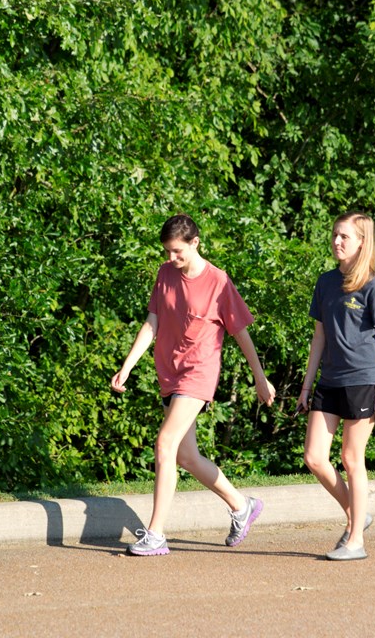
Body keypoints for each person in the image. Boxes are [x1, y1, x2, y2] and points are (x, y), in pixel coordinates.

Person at [111, 214, 276, 556]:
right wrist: (128, 365)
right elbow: (152, 321)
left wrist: (260, 376)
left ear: (195, 243)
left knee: (165, 443)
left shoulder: (218, 282)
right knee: (186, 456)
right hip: (169, 372)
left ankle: (155, 535)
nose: (171, 259)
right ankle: (241, 506)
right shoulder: (165, 274)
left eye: (177, 252)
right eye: (168, 252)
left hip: (199, 372)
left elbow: (240, 333)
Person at [295, 212, 375, 561]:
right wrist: (305, 386)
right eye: (334, 235)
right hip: (330, 379)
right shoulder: (325, 282)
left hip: (365, 377)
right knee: (314, 457)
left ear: (362, 241)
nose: (337, 241)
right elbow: (319, 338)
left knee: (350, 457)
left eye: (344, 236)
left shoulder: (373, 286)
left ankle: (355, 540)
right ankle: (358, 514)